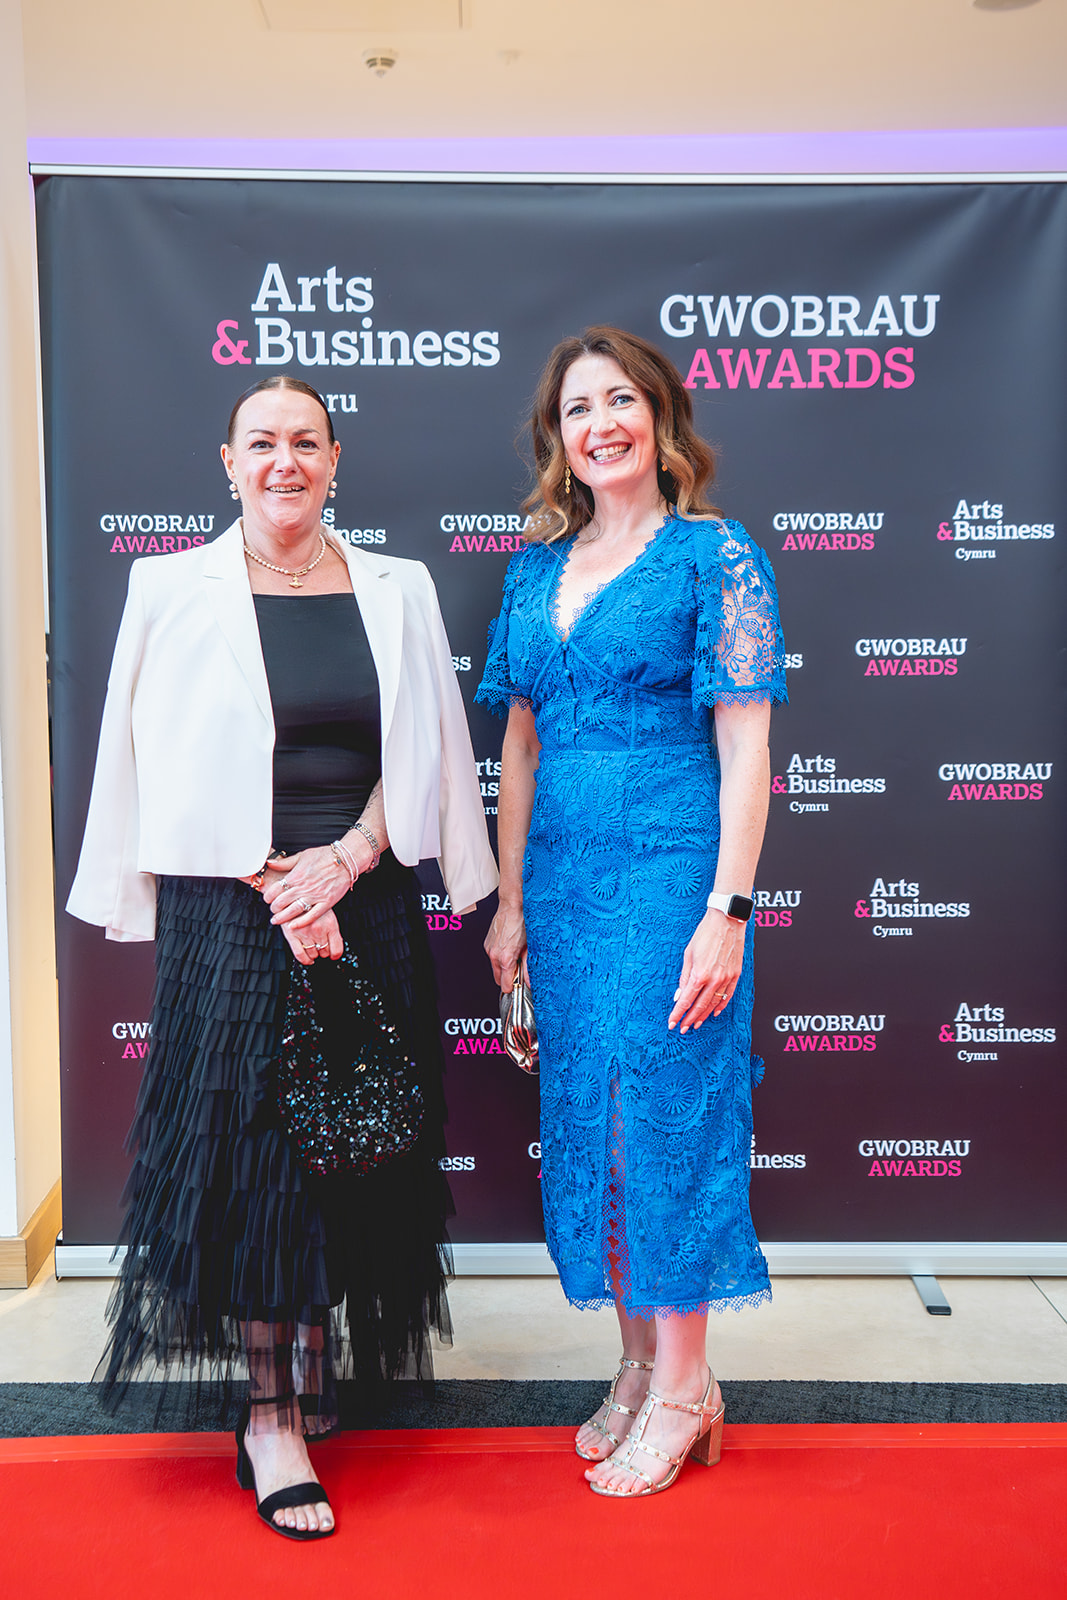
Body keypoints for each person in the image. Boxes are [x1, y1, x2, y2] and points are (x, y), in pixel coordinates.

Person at [67, 374, 498, 1539]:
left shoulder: (399, 586)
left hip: (367, 894)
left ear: (335, 459)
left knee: (351, 1139)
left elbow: (428, 748)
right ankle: (268, 1416)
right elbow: (144, 754)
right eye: (260, 442)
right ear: (228, 462)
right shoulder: (167, 585)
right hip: (233, 913)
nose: (283, 462)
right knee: (257, 1152)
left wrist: (347, 861)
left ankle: (309, 1363)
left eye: (305, 441)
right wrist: (273, 880)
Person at [477, 327, 786, 1498]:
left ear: (659, 419)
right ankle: (636, 1358)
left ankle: (687, 1382)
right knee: (592, 1120)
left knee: (662, 1117)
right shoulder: (532, 570)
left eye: (619, 400)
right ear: (555, 438)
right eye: (575, 408)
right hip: (560, 883)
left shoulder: (714, 554)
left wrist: (728, 909)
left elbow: (745, 745)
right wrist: (510, 902)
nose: (598, 424)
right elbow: (517, 745)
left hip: (669, 870)